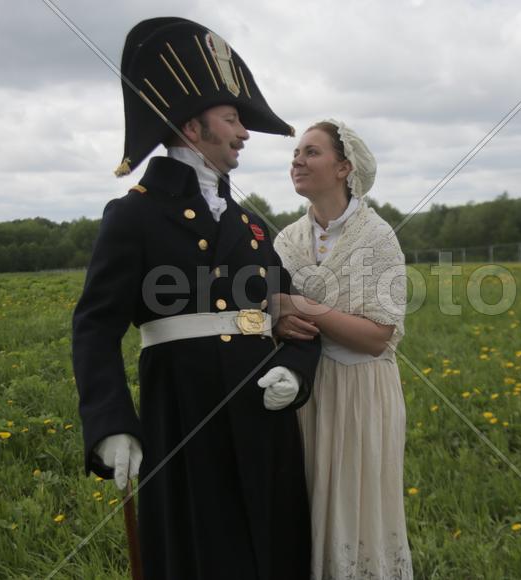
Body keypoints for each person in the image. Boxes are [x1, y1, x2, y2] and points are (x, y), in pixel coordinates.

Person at [72, 18, 320, 580]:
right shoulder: (133, 216)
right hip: (182, 419)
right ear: (191, 125)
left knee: (275, 551)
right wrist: (111, 422)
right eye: (232, 119)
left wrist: (296, 369)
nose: (244, 133)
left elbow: (295, 312)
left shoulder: (252, 224)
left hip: (264, 418)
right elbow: (94, 326)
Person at [273, 120, 413, 579]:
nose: (297, 160)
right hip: (302, 396)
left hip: (360, 394)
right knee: (304, 509)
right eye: (296, 152)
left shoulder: (376, 238)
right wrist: (278, 316)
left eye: (311, 152)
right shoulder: (287, 241)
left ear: (344, 167)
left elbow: (378, 337)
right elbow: (270, 311)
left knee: (354, 510)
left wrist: (304, 307)